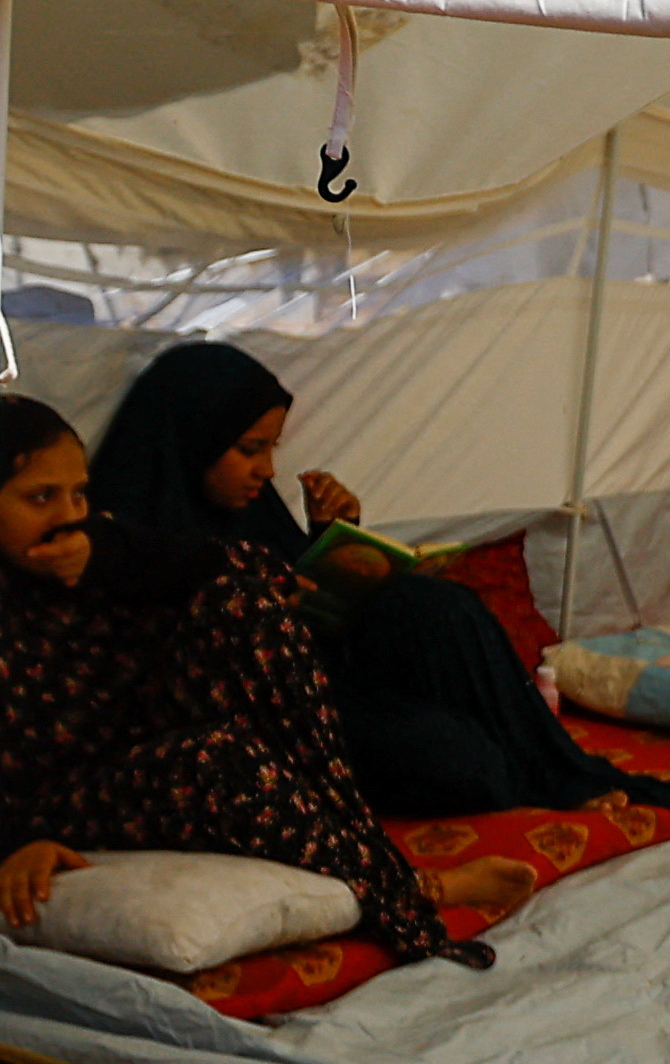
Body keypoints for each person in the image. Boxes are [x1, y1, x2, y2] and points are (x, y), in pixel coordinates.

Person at [0, 395, 527, 958]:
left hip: (126, 735)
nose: (66, 516)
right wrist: (16, 842)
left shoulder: (92, 545)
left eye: (77, 492)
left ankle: (369, 851)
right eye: (39, 497)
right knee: (220, 760)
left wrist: (106, 556)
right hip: (52, 797)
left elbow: (248, 569)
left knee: (244, 607)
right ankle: (410, 890)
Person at [88, 343, 670, 821]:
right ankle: (522, 772)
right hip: (268, 723)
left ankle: (552, 772)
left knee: (441, 608)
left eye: (272, 448)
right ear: (194, 441)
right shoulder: (124, 535)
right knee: (461, 763)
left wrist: (334, 542)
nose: (267, 470)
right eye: (250, 450)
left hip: (333, 678)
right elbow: (166, 669)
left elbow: (313, 603)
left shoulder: (245, 509)